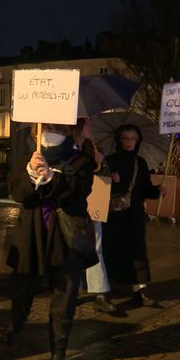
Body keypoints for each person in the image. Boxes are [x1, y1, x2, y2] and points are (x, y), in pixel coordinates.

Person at [6, 123, 97, 360]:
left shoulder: (80, 160)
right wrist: (32, 175)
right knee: (23, 288)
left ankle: (58, 353)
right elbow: (18, 193)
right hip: (32, 235)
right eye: (45, 125)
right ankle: (15, 325)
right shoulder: (27, 156)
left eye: (57, 125)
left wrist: (50, 177)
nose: (50, 129)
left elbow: (78, 191)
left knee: (64, 298)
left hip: (66, 238)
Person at [101, 124, 164, 307]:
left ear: (137, 141)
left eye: (133, 139)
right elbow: (100, 188)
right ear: (119, 140)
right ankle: (111, 287)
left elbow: (144, 188)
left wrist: (157, 191)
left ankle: (140, 290)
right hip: (114, 216)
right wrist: (112, 182)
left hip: (134, 215)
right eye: (126, 138)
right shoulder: (109, 160)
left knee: (138, 251)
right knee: (112, 251)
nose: (129, 142)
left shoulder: (140, 162)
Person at [70, 119, 117, 314]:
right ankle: (71, 290)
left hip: (92, 204)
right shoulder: (69, 148)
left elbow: (102, 176)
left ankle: (99, 292)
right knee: (72, 248)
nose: (91, 128)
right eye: (87, 125)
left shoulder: (93, 148)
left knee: (96, 246)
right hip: (73, 206)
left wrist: (101, 164)